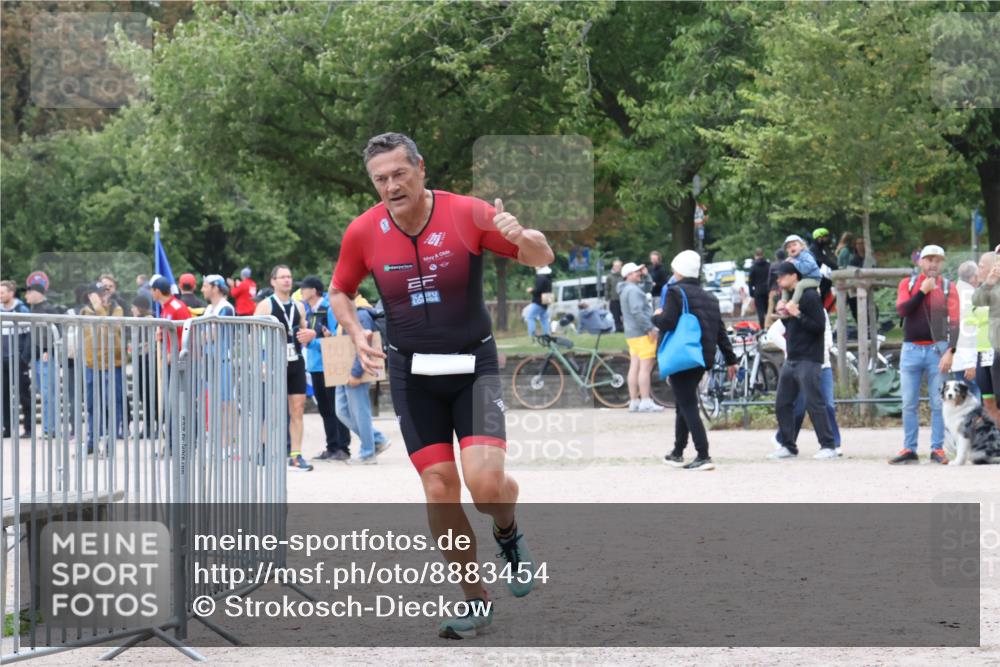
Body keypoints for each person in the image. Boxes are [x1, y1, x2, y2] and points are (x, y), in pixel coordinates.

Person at [329, 132, 554, 639]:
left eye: (399, 174)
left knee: (486, 487)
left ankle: (507, 531)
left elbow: (541, 256)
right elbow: (340, 290)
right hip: (413, 375)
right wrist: (355, 332)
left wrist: (523, 234)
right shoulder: (363, 231)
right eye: (380, 179)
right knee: (438, 487)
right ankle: (475, 599)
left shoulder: (466, 213)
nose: (391, 186)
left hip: (474, 366)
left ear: (421, 168)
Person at [655, 251, 736, 470]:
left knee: (688, 405)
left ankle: (703, 454)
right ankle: (677, 452)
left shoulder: (675, 292)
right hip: (702, 357)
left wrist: (656, 315)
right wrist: (731, 359)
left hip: (681, 356)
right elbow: (720, 331)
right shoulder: (710, 297)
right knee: (683, 403)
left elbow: (667, 322)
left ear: (679, 270)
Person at [891, 245, 958, 465]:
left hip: (937, 350)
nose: (933, 264)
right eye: (929, 259)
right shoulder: (908, 284)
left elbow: (956, 322)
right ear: (921, 262)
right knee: (908, 402)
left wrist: (951, 351)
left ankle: (937, 448)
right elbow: (903, 311)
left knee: (938, 403)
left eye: (937, 260)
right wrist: (922, 291)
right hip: (911, 349)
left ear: (942, 263)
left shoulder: (948, 287)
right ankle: (909, 448)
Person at [768, 263, 838, 460]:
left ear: (794, 276)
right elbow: (792, 326)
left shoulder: (810, 296)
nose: (778, 280)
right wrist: (784, 314)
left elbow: (819, 326)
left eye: (782, 276)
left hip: (809, 358)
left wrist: (797, 313)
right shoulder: (790, 297)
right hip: (792, 357)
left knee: (814, 402)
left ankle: (828, 445)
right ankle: (788, 446)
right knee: (782, 403)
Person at [255, 265, 315, 472]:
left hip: (296, 361)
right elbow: (253, 335)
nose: (287, 280)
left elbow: (305, 330)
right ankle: (263, 450)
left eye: (289, 276)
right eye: (282, 277)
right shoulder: (266, 305)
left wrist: (310, 335)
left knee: (297, 409)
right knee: (272, 409)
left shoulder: (299, 306)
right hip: (273, 361)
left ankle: (295, 455)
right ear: (273, 281)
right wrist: (260, 362)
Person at [770, 309, 842, 456]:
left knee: (827, 405)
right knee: (798, 408)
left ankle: (833, 443)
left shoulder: (820, 311)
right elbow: (773, 332)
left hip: (823, 365)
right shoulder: (795, 311)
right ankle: (783, 440)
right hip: (803, 365)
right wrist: (789, 348)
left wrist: (828, 344)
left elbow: (825, 329)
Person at [299, 275, 353, 462]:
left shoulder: (329, 309)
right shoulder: (310, 311)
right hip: (315, 367)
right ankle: (332, 446)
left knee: (336, 409)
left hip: (330, 366)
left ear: (313, 291)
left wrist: (311, 341)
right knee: (324, 409)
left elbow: (337, 340)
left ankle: (343, 447)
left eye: (304, 288)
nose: (301, 292)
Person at [336, 296, 384, 465]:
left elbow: (366, 343)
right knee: (341, 411)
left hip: (357, 370)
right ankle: (377, 439)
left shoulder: (361, 313)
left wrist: (356, 372)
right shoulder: (346, 312)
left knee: (360, 412)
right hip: (344, 369)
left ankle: (367, 453)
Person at [80, 282, 126, 455]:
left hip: (113, 364)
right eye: (100, 293)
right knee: (92, 406)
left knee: (112, 404)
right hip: (92, 365)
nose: (104, 296)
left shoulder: (116, 309)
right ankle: (92, 442)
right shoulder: (85, 312)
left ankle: (110, 444)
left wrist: (100, 310)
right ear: (91, 296)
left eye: (106, 292)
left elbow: (112, 331)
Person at [618, 262, 663, 413]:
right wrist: (649, 328)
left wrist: (646, 274)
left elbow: (648, 287)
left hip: (631, 334)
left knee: (634, 367)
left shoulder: (627, 289)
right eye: (636, 271)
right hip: (642, 334)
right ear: (628, 275)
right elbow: (637, 312)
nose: (639, 273)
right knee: (645, 368)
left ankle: (634, 401)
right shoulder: (633, 291)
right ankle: (645, 401)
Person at [23, 283, 62, 437]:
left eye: (28, 292)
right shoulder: (34, 309)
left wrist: (49, 350)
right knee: (44, 394)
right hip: (36, 357)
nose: (26, 296)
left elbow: (57, 332)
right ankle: (48, 427)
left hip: (46, 357)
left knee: (48, 394)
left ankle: (50, 428)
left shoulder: (49, 309)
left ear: (37, 293)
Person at [973, 249, 1000, 426]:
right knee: (991, 400)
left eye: (981, 266)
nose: (978, 271)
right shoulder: (988, 287)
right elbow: (977, 302)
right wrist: (988, 284)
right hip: (988, 350)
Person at [1, 281, 31, 438]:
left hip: (18, 359)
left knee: (24, 395)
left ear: (11, 293)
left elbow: (29, 335)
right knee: (3, 396)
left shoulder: (22, 310)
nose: (0, 295)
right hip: (2, 360)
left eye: (2, 292)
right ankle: (6, 429)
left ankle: (28, 428)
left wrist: (24, 357)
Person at [952, 260, 983, 401]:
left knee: (965, 401)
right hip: (969, 361)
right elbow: (968, 332)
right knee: (975, 400)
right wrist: (970, 363)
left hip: (958, 359)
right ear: (973, 278)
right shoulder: (971, 297)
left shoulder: (954, 292)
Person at [777, 235, 821, 316]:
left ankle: (792, 304)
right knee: (785, 285)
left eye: (794, 245)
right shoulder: (792, 258)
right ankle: (783, 302)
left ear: (801, 246)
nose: (792, 247)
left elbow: (806, 269)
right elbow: (787, 269)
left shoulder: (806, 256)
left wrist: (794, 262)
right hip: (803, 279)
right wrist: (786, 263)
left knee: (800, 285)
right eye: (789, 247)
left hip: (813, 279)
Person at [523, 266, 552, 337]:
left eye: (537, 267)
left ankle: (532, 334)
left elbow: (538, 290)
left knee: (530, 317)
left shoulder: (540, 278)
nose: (535, 268)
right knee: (544, 318)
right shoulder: (548, 278)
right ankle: (547, 334)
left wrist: (531, 290)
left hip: (538, 301)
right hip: (546, 300)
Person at [748, 248, 771, 328]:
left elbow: (750, 281)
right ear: (763, 255)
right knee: (769, 310)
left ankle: (762, 328)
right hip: (768, 290)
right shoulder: (768, 265)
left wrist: (751, 293)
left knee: (760, 311)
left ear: (755, 256)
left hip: (758, 290)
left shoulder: (753, 267)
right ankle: (770, 326)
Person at [607, 259, 624, 332]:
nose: (617, 267)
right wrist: (607, 298)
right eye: (615, 266)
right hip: (614, 299)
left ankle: (625, 327)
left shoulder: (623, 276)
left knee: (624, 314)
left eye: (618, 266)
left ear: (621, 267)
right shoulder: (609, 277)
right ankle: (618, 328)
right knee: (616, 315)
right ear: (613, 267)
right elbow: (607, 288)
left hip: (623, 298)